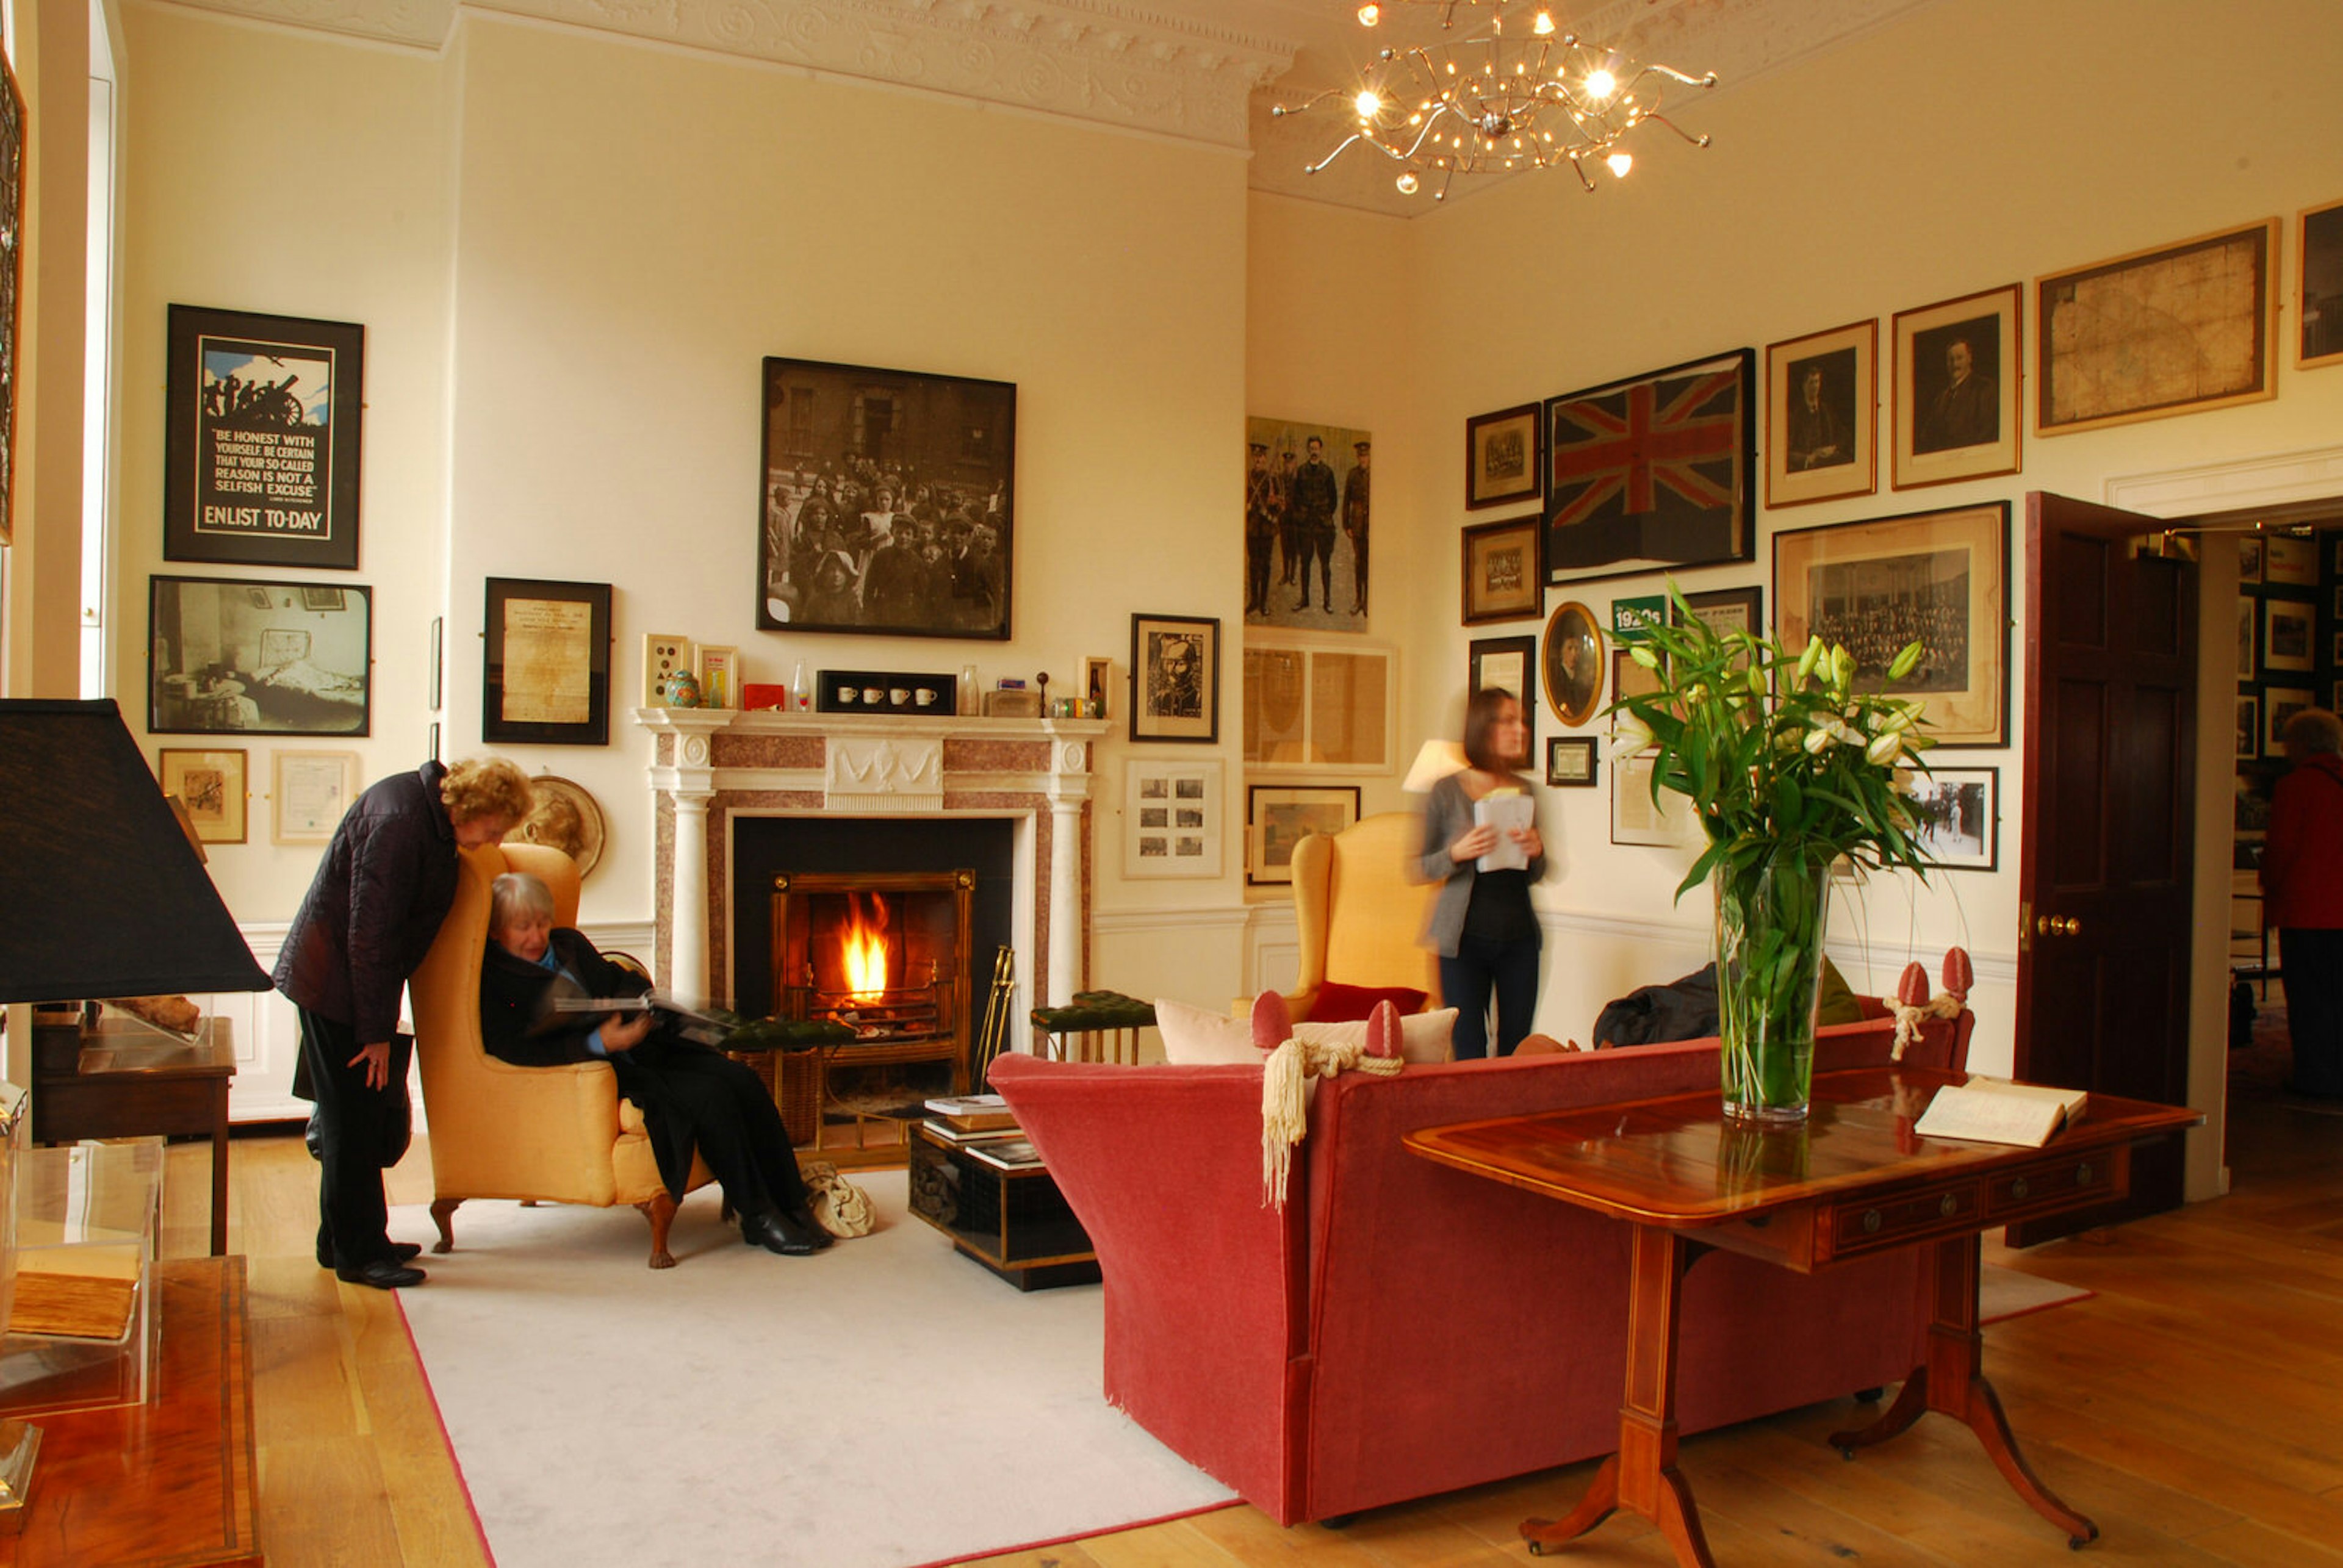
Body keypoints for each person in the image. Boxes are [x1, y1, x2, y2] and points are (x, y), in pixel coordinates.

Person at [275, 757, 534, 1289]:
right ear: (472, 807)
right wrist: (376, 1035)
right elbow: (370, 938)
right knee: (352, 1123)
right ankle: (359, 1254)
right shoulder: (400, 823)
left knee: (359, 1117)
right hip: (336, 985)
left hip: (346, 983)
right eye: (493, 830)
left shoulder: (425, 815)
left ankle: (346, 1240)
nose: (492, 841)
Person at [477, 872, 830, 1256]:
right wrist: (598, 1042)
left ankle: (792, 1201)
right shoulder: (494, 979)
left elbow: (618, 979)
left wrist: (642, 1002)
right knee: (711, 1095)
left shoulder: (570, 944)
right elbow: (511, 1049)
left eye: (543, 923)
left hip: (647, 1048)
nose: (537, 936)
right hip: (609, 1072)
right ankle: (758, 1214)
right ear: (497, 931)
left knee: (742, 1077)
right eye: (523, 928)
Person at [1414, 689, 1547, 1059]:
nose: (1519, 729)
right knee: (1469, 1048)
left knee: (1515, 1048)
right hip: (1463, 944)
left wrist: (1537, 852)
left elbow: (1538, 874)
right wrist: (1457, 853)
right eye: (1508, 720)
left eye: (1522, 720)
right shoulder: (1446, 791)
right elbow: (1417, 866)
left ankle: (1508, 1118)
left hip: (1520, 940)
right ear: (1482, 728)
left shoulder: (1528, 791)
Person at [2262, 708, 2343, 1098]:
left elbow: (2281, 849)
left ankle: (2316, 1078)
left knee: (2310, 1000)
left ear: (2302, 744)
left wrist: (2269, 885)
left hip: (2309, 910)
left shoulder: (2296, 787)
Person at [1915, 336, 1997, 452]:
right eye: (1950, 359)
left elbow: (1987, 432)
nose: (1955, 364)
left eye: (1959, 358)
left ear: (1970, 358)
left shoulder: (1984, 389)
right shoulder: (1941, 399)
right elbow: (1927, 438)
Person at [1289, 436, 1339, 611]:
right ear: (1308, 450)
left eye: (1317, 448)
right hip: (1306, 526)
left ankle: (1327, 600)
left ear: (1321, 450)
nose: (1314, 451)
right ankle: (1305, 599)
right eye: (1311, 448)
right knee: (1305, 563)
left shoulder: (1328, 472)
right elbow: (1294, 498)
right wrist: (1301, 515)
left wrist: (1324, 514)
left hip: (1323, 525)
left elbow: (1333, 500)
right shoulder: (1301, 471)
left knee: (1325, 564)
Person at [1785, 363, 1849, 470]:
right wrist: (1808, 458)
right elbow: (1785, 451)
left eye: (1817, 382)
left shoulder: (1826, 410)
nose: (1815, 386)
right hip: (1808, 465)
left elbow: (1844, 436)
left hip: (1827, 461)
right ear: (1804, 386)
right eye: (1811, 383)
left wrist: (1833, 448)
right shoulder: (1795, 415)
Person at [1244, 442, 1278, 616]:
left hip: (1266, 530)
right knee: (1253, 565)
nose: (1258, 460)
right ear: (1253, 458)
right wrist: (1246, 507)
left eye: (1261, 457)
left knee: (1265, 565)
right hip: (1251, 528)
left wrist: (1271, 507)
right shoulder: (1247, 478)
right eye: (1256, 457)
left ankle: (1264, 602)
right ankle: (1254, 600)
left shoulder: (1272, 479)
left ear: (1265, 459)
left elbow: (1282, 504)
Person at [1341, 439, 1370, 614]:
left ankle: (1368, 601)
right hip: (1358, 524)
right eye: (1361, 456)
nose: (1363, 459)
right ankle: (1359, 600)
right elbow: (1346, 502)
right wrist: (1347, 525)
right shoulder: (1353, 475)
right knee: (1359, 562)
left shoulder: (1376, 474)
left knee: (1370, 564)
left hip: (1372, 526)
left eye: (1365, 456)